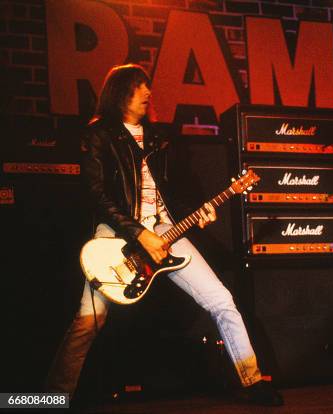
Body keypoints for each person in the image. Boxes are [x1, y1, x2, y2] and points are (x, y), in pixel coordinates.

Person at [44, 64, 283, 407]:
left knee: (221, 300)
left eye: (147, 86)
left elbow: (171, 192)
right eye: (139, 86)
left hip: (165, 229)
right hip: (117, 234)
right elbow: (95, 194)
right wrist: (139, 234)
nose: (147, 92)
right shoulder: (100, 135)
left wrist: (202, 212)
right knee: (88, 320)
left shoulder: (159, 138)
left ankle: (253, 380)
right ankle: (52, 398)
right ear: (120, 92)